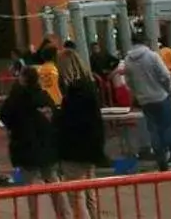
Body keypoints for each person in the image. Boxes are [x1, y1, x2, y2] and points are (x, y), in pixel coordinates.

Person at [53, 47, 106, 217]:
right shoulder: (89, 86)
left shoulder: (73, 93)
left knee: (76, 195)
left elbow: (69, 122)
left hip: (74, 149)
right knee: (90, 192)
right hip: (91, 147)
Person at [121, 27, 171, 173]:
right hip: (161, 96)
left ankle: (162, 164)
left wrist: (137, 93)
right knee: (169, 129)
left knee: (153, 131)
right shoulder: (152, 56)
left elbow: (128, 82)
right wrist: (168, 89)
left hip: (144, 100)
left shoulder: (127, 60)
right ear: (145, 42)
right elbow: (166, 75)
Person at [0, 58, 59, 192]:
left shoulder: (16, 99)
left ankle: (34, 213)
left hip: (25, 145)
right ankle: (63, 212)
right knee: (52, 180)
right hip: (46, 145)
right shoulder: (44, 96)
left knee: (30, 184)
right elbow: (54, 115)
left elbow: (4, 116)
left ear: (23, 80)